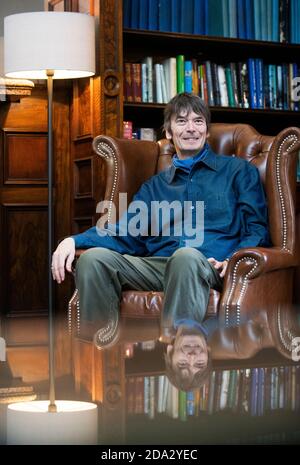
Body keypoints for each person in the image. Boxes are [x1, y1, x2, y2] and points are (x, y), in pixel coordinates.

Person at [52, 93, 270, 387]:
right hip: (157, 264)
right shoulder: (155, 187)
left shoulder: (237, 172)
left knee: (187, 257)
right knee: (94, 260)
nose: (190, 128)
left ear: (206, 129)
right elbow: (125, 230)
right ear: (168, 132)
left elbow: (256, 227)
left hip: (208, 265)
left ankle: (177, 345)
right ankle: (102, 361)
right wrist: (73, 241)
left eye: (198, 121)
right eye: (181, 122)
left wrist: (234, 259)